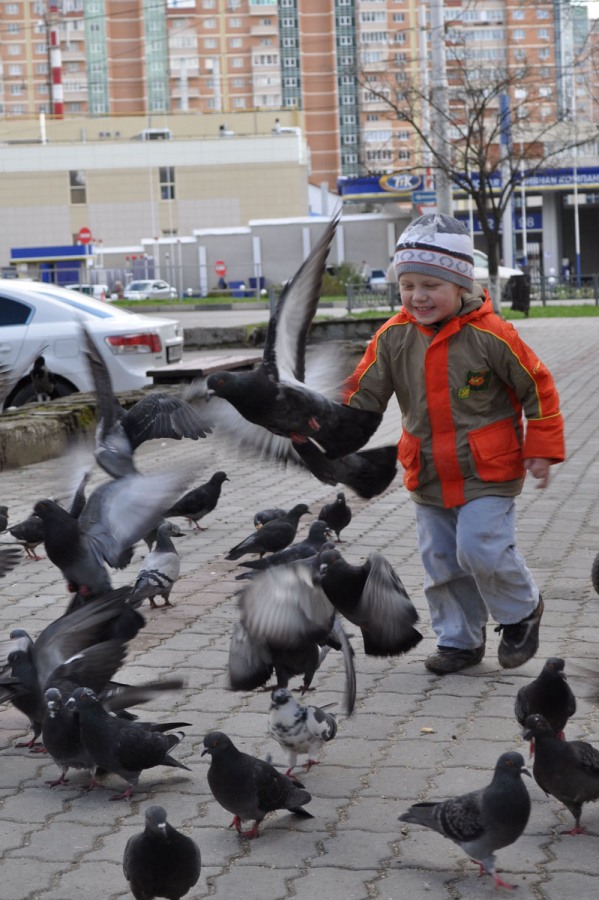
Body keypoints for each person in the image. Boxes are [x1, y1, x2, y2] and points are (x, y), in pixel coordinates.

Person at [344, 214, 565, 674]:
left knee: (480, 548)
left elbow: (537, 387)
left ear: (461, 286)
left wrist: (541, 446)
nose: (418, 296)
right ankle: (460, 641)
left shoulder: (492, 335)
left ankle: (522, 611)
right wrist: (322, 425)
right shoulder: (393, 337)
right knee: (441, 560)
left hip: (489, 470)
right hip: (426, 472)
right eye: (408, 285)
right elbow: (359, 396)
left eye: (431, 285)